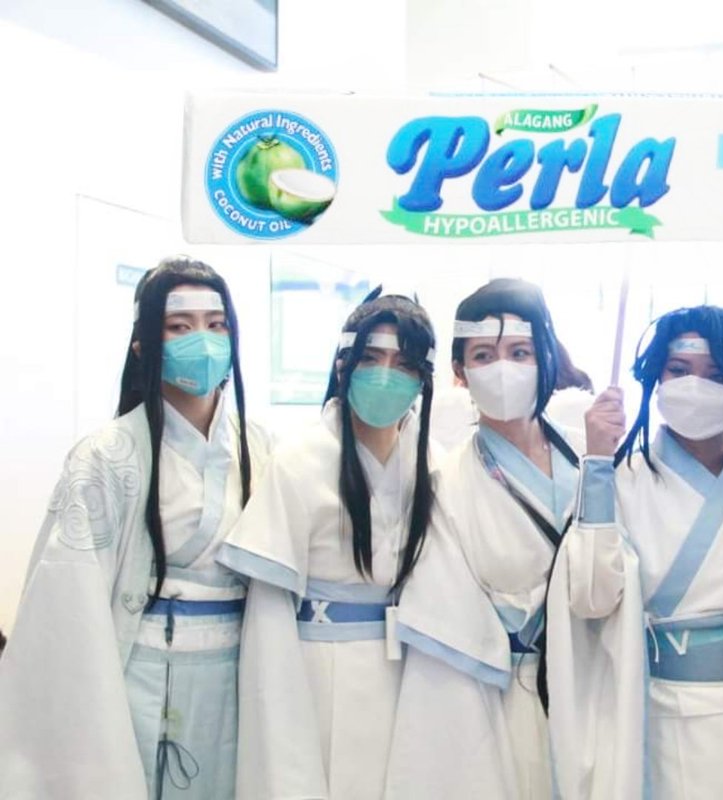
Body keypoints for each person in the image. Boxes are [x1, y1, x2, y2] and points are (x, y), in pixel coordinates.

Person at [0, 256, 271, 800]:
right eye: (179, 326)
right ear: (142, 344)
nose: (202, 340)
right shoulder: (105, 456)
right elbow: (68, 602)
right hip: (143, 673)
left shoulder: (260, 447)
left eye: (216, 325)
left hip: (242, 671)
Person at [548, 305, 723, 799]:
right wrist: (598, 462)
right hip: (656, 715)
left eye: (718, 375)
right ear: (656, 377)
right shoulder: (618, 480)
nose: (696, 386)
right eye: (679, 369)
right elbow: (591, 598)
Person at [216, 290, 436, 798]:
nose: (386, 375)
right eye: (371, 358)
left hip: (413, 671)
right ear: (343, 365)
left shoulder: (433, 464)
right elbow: (269, 617)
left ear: (422, 379)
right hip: (319, 671)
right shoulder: (299, 462)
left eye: (403, 364)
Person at [389, 278, 582, 799]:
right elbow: (450, 622)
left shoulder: (589, 457)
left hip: (592, 689)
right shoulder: (443, 484)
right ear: (459, 371)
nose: (503, 368)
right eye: (483, 355)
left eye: (519, 352)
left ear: (544, 357)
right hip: (505, 701)